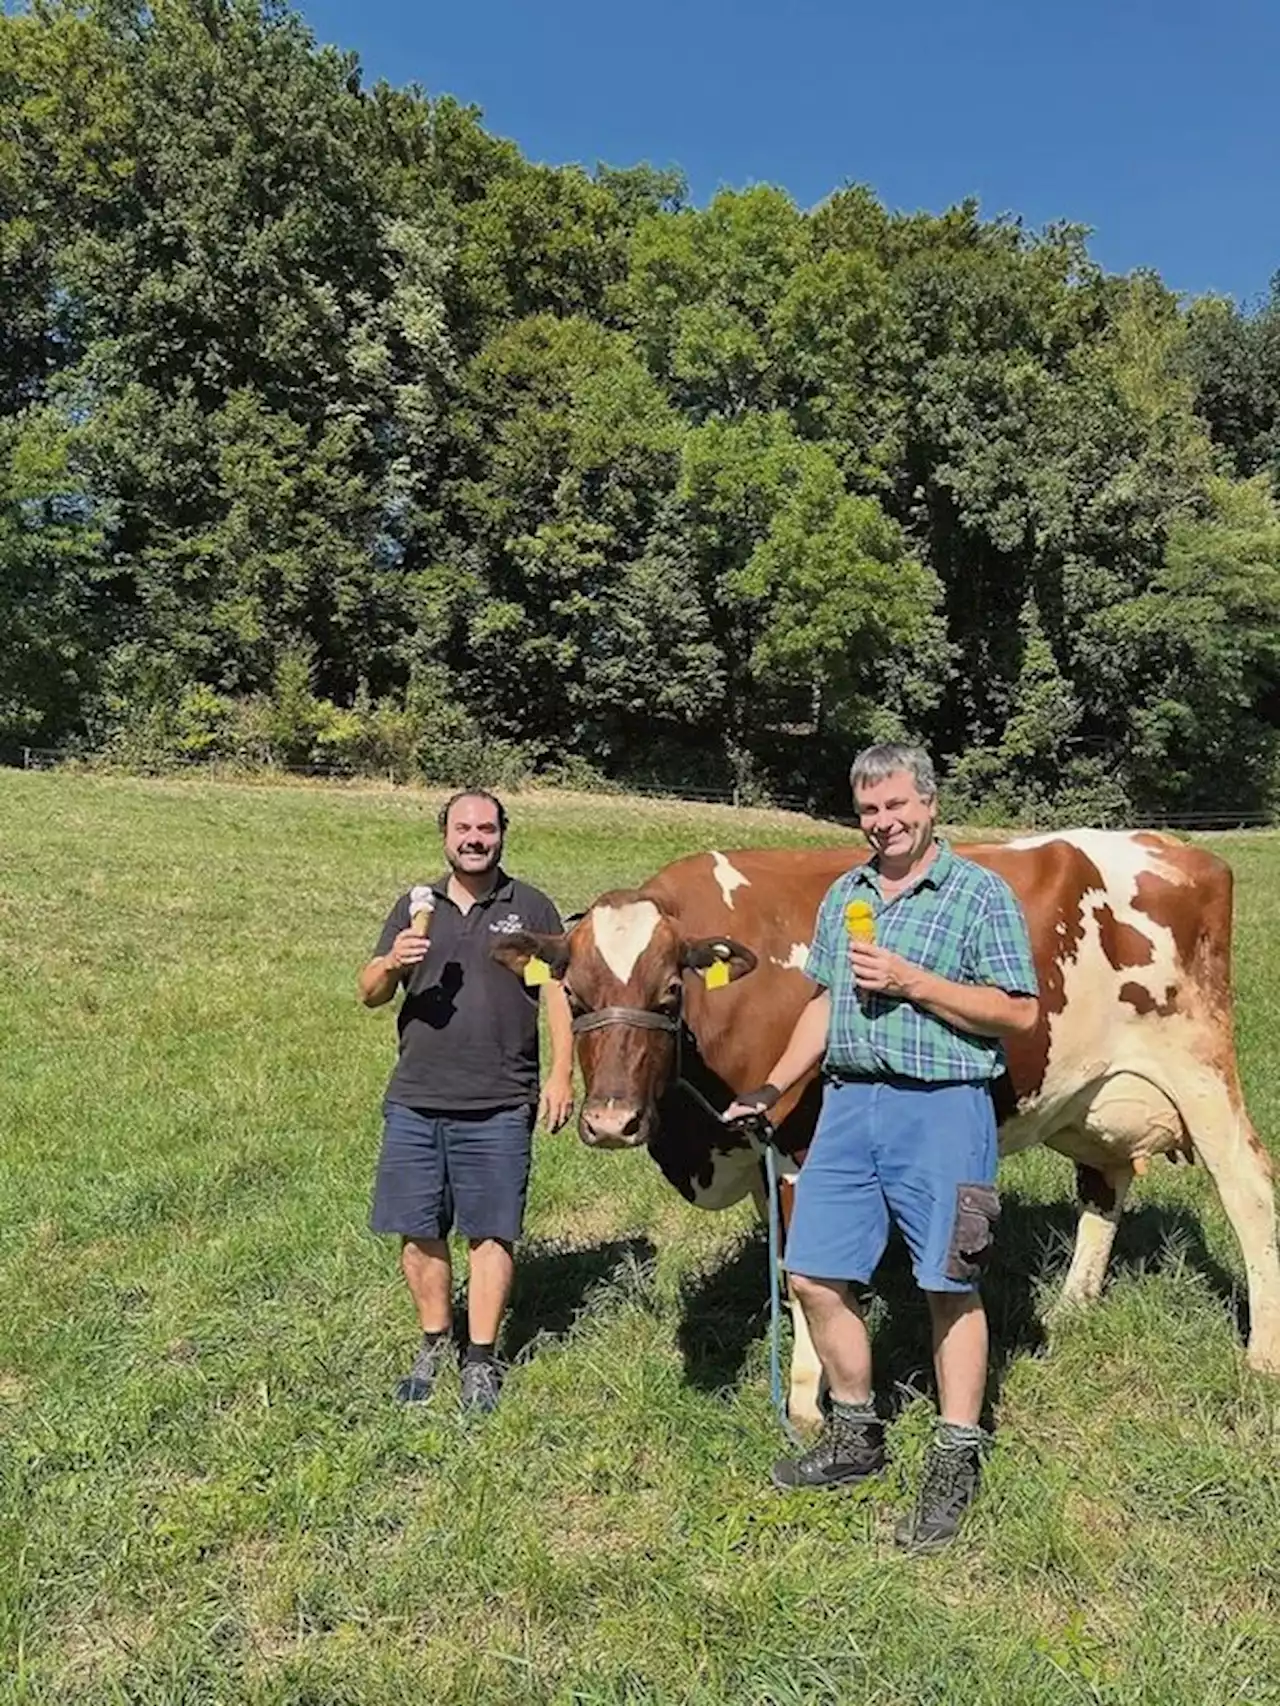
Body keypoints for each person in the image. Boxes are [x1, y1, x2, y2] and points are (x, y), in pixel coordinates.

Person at [725, 743, 1039, 1551]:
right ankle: (857, 1432)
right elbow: (826, 1005)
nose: (884, 824)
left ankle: (956, 1453)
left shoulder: (977, 894)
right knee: (814, 1271)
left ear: (929, 805)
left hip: (943, 1109)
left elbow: (1018, 1013)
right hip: (850, 1105)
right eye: (869, 811)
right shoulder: (848, 893)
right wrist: (774, 1088)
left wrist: (912, 983)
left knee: (946, 1282)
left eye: (897, 806)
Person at [359, 789, 574, 1413]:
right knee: (418, 1229)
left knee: (491, 1233)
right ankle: (434, 1342)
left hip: (502, 1098)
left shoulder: (528, 907)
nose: (474, 837)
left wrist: (562, 1073)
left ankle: (480, 1359)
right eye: (463, 828)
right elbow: (369, 992)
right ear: (444, 835)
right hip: (417, 1095)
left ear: (503, 834)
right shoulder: (413, 905)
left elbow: (554, 992)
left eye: (486, 827)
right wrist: (392, 962)